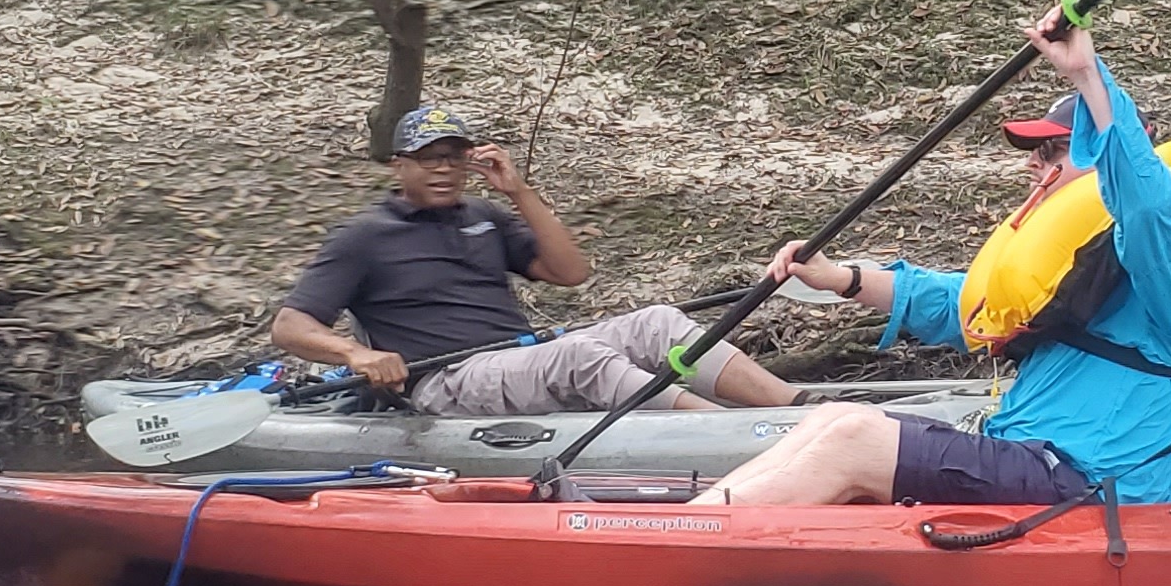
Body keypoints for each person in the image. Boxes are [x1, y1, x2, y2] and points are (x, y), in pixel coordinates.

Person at [693, 9, 1171, 507]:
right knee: (830, 420)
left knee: (854, 436)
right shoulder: (1072, 261)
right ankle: (691, 520)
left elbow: (1145, 204)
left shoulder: (1168, 259)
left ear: (1099, 155)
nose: (1034, 163)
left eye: (1053, 150)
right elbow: (956, 305)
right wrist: (841, 278)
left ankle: (688, 539)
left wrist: (1086, 77)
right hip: (1028, 456)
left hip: (1090, 482)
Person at [265, 105, 798, 417]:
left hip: (515, 357)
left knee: (657, 323)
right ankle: (723, 428)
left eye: (453, 158)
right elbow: (290, 327)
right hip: (446, 381)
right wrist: (355, 355)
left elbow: (571, 273)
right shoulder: (364, 236)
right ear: (400, 165)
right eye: (429, 159)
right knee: (576, 356)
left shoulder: (483, 215)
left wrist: (518, 191)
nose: (443, 170)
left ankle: (793, 406)